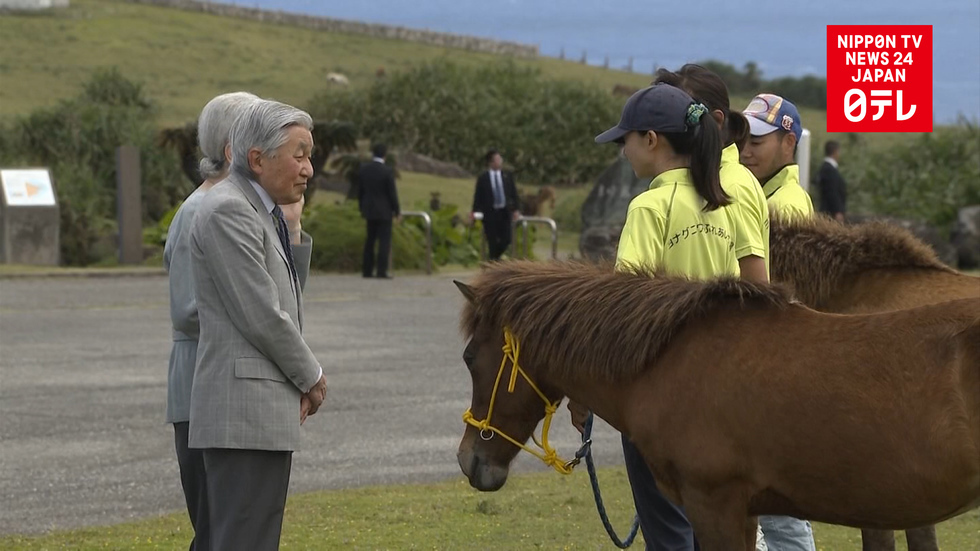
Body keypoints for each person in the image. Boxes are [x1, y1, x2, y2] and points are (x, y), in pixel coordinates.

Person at [162, 91, 314, 551]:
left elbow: (282, 298)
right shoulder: (205, 210)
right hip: (209, 383)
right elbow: (195, 310)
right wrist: (294, 362)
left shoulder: (253, 209)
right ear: (237, 150)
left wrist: (289, 231)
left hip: (237, 377)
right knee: (220, 532)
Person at [590, 83, 737, 550]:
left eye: (625, 139)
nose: (624, 150)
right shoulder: (719, 206)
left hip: (664, 395)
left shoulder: (648, 206)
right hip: (722, 394)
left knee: (669, 534)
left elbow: (625, 303)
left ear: (651, 140)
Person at [654, 64, 770, 283]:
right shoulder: (713, 179)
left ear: (716, 121)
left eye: (680, 121)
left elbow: (757, 287)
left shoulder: (731, 186)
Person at [740, 94, 814, 220]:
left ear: (788, 143)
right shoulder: (762, 196)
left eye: (755, 142)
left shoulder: (785, 209)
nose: (744, 152)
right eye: (741, 141)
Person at [357, 143, 400, 279]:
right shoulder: (387, 171)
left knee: (370, 240)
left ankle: (367, 270)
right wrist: (397, 210)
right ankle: (381, 271)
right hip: (384, 211)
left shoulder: (364, 169)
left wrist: (361, 207)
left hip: (369, 210)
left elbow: (360, 191)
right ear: (385, 154)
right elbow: (392, 193)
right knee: (384, 241)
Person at [471, 148, 519, 260]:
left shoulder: (507, 176)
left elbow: (513, 193)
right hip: (490, 213)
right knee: (492, 240)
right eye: (497, 159)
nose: (500, 161)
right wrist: (475, 212)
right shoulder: (484, 178)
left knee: (507, 238)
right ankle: (493, 261)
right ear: (491, 162)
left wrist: (516, 209)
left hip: (504, 212)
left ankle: (493, 258)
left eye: (500, 158)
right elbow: (478, 196)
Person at [817, 140, 847, 222]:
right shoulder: (829, 170)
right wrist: (837, 210)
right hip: (830, 213)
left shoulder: (826, 168)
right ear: (835, 152)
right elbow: (832, 191)